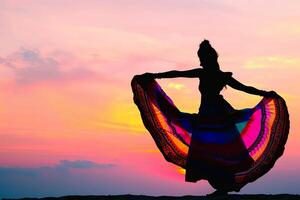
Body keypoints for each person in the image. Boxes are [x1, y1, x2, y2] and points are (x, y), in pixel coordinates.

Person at [131, 40, 289, 196]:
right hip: (210, 115)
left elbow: (244, 88)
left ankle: (222, 189)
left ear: (208, 58)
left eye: (201, 58)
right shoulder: (212, 74)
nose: (200, 61)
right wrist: (155, 75)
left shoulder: (208, 74)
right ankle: (222, 189)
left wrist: (265, 94)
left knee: (216, 152)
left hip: (216, 116)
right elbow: (178, 74)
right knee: (213, 152)